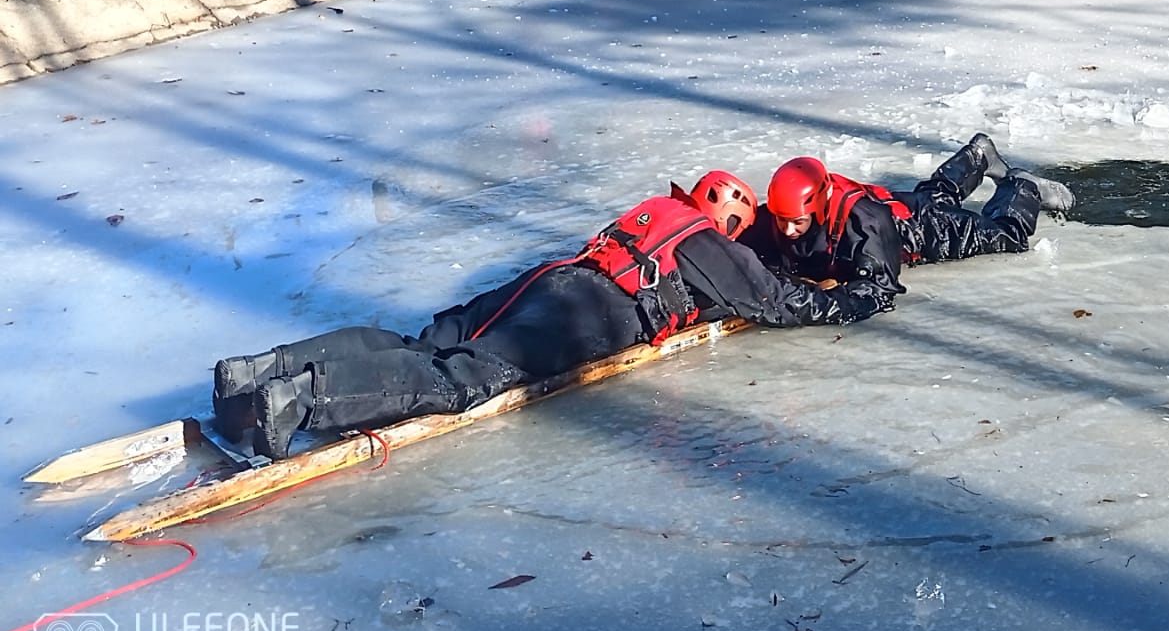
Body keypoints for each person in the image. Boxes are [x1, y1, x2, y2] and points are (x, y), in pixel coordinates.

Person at [212, 174, 895, 461]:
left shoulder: (655, 212)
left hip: (553, 278)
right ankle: (300, 400)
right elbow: (776, 302)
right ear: (731, 219)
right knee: (463, 379)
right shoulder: (706, 240)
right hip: (589, 311)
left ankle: (266, 368)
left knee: (424, 344)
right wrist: (857, 299)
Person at [749, 135, 1073, 293]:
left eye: (798, 222)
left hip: (925, 231)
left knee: (1009, 236)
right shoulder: (777, 216)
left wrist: (821, 292)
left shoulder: (864, 225)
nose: (788, 229)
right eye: (782, 219)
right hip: (900, 205)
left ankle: (1022, 186)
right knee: (935, 197)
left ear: (819, 205)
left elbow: (879, 288)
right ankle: (977, 156)